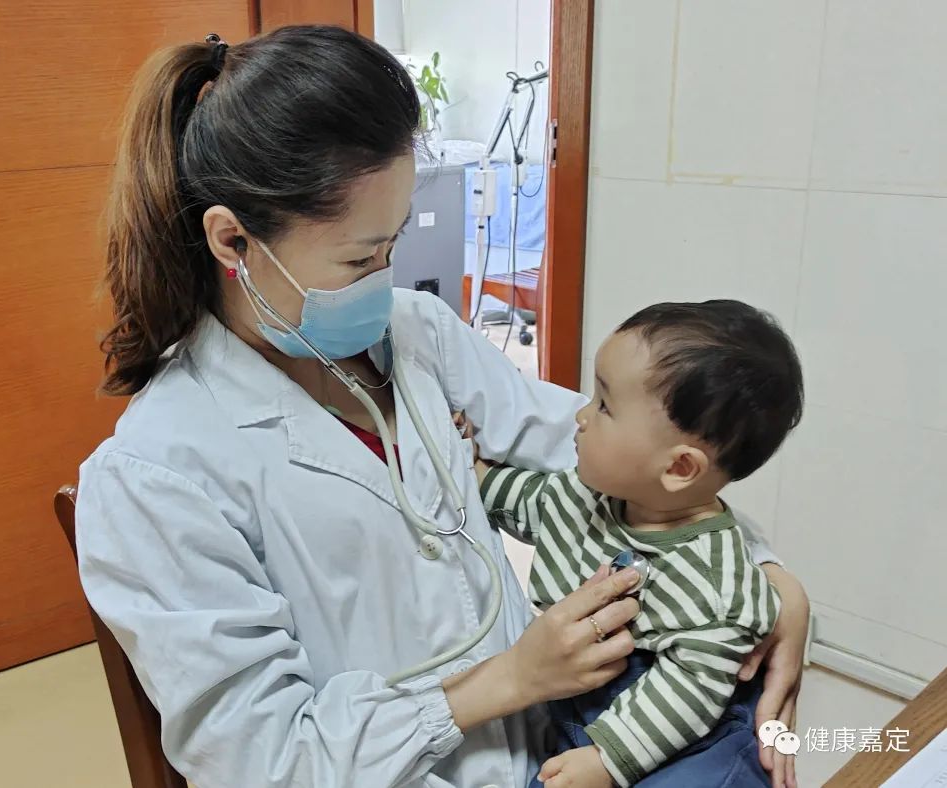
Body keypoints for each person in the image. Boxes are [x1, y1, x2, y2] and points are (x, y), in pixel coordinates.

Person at [75, 25, 808, 788]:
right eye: (359, 257)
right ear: (233, 242)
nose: (385, 279)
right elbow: (266, 760)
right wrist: (511, 679)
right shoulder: (156, 477)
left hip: (542, 751)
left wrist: (769, 576)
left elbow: (631, 456)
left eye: (392, 244)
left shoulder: (420, 335)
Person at [473, 300, 804, 787]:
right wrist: (468, 466)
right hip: (587, 710)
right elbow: (521, 500)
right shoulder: (583, 495)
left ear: (679, 468)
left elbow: (690, 690)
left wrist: (608, 761)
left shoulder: (718, 584)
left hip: (689, 734)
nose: (581, 416)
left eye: (604, 406)